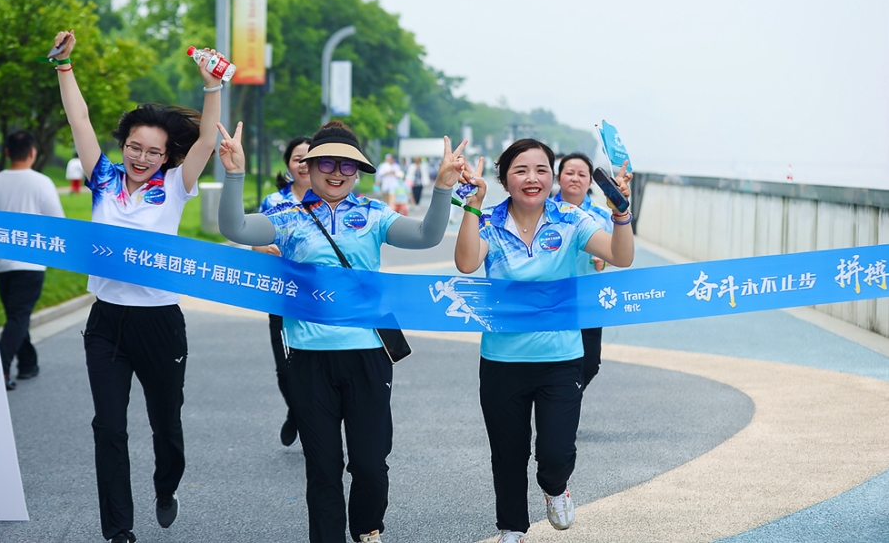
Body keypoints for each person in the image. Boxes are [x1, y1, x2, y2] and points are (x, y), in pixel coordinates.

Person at [218, 120, 468, 543]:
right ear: (310, 167)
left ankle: (368, 527)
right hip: (308, 358)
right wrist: (233, 173)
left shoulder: (373, 215)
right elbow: (235, 229)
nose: (337, 172)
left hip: (368, 355)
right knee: (323, 467)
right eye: (327, 163)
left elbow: (426, 236)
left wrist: (443, 186)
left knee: (370, 464)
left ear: (359, 173)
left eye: (348, 166)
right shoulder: (288, 217)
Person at [53, 29, 222, 543]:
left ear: (168, 156)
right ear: (122, 146)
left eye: (153, 150)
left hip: (159, 324)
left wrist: (212, 87)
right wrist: (64, 66)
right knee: (109, 426)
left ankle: (166, 486)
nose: (140, 157)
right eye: (133, 147)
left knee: (166, 427)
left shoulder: (175, 186)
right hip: (106, 321)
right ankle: (119, 530)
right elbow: (79, 120)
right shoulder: (102, 178)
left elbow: (209, 141)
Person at [454, 138, 634, 543]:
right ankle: (512, 528)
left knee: (554, 455)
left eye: (540, 170)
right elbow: (466, 263)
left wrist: (621, 214)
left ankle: (555, 487)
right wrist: (472, 204)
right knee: (508, 453)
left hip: (561, 357)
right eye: (520, 170)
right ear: (504, 179)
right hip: (502, 360)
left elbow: (620, 257)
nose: (532, 178)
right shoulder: (489, 221)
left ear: (551, 177)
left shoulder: (569, 219)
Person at [0, 130, 65, 391]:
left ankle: (28, 363)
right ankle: (0, 371)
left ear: (6, 152)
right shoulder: (41, 183)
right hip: (31, 263)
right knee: (18, 316)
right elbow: (57, 222)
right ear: (32, 152)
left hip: (2, 264)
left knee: (18, 314)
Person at [255, 135, 312, 447]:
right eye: (297, 159)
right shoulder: (273, 202)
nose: (303, 165)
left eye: (309, 158)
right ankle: (296, 410)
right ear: (288, 165)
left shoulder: (330, 198)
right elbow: (257, 244)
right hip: (280, 294)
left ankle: (307, 414)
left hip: (317, 299)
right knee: (284, 366)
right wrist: (267, 249)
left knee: (312, 363)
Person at [555, 152, 614, 387]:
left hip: (588, 300)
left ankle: (564, 401)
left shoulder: (603, 216)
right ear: (558, 178)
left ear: (590, 182)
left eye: (582, 174)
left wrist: (604, 260)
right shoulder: (541, 211)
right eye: (569, 173)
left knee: (590, 364)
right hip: (553, 297)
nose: (575, 179)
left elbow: (615, 253)